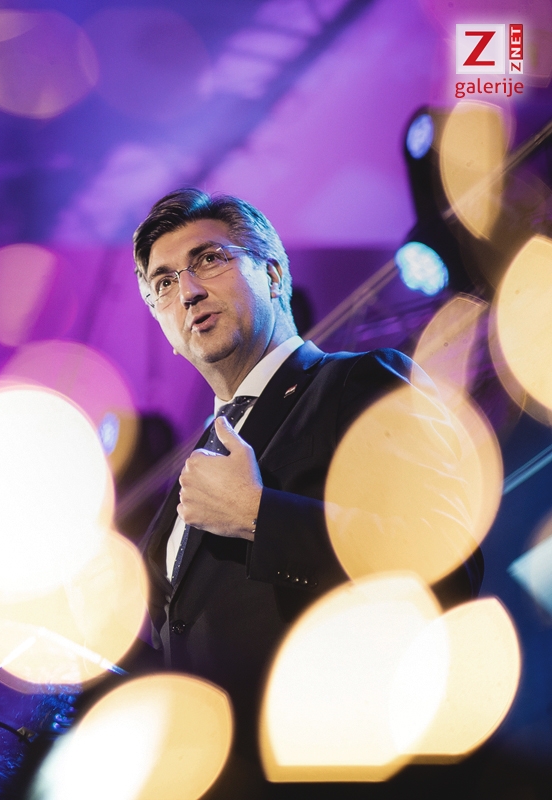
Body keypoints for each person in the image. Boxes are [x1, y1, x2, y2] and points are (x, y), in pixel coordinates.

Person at [128, 188, 483, 793]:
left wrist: (259, 516)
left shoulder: (358, 381)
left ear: (273, 276)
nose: (186, 291)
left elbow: (446, 561)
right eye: (163, 283)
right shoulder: (185, 484)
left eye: (208, 259)